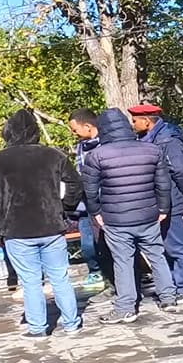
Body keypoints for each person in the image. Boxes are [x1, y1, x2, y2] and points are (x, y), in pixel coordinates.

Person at [0, 109, 85, 337]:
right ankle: (71, 323)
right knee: (60, 278)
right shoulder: (53, 155)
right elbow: (76, 184)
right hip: (51, 226)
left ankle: (37, 328)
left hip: (16, 230)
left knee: (30, 282)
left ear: (8, 132)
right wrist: (65, 208)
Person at [81, 108, 181, 323]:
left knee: (123, 261)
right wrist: (163, 209)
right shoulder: (151, 150)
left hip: (116, 218)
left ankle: (126, 307)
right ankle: (168, 298)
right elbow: (163, 184)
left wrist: (96, 213)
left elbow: (90, 191)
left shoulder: (96, 155)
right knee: (156, 255)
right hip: (148, 214)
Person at [127, 103, 183, 302]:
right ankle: (175, 284)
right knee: (165, 245)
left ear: (146, 121)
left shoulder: (169, 141)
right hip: (158, 200)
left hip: (172, 199)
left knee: (178, 245)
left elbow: (181, 171)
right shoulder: (147, 139)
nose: (132, 124)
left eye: (134, 121)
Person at [68, 109, 107, 289]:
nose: (74, 134)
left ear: (87, 126)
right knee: (88, 244)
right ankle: (96, 271)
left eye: (75, 130)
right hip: (86, 201)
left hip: (105, 201)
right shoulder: (81, 146)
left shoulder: (107, 144)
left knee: (109, 242)